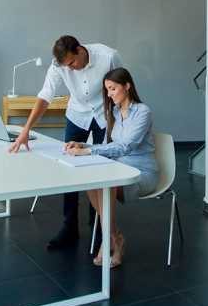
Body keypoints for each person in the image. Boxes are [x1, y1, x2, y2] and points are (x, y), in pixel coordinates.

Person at [9, 35, 123, 249]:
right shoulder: (58, 65)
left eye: (72, 63)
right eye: (66, 66)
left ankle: (100, 228)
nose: (70, 68)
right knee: (69, 166)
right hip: (77, 115)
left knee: (99, 168)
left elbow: (121, 88)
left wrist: (121, 121)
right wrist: (26, 130)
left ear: (80, 50)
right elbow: (45, 95)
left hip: (104, 115)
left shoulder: (108, 56)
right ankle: (69, 226)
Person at [65, 67, 158, 268]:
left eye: (113, 89)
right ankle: (114, 237)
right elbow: (108, 146)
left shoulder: (143, 112)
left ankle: (109, 240)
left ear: (127, 86)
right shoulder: (114, 112)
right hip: (119, 169)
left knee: (106, 182)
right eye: (107, 90)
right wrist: (83, 145)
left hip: (141, 174)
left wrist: (88, 151)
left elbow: (125, 146)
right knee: (91, 180)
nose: (109, 94)